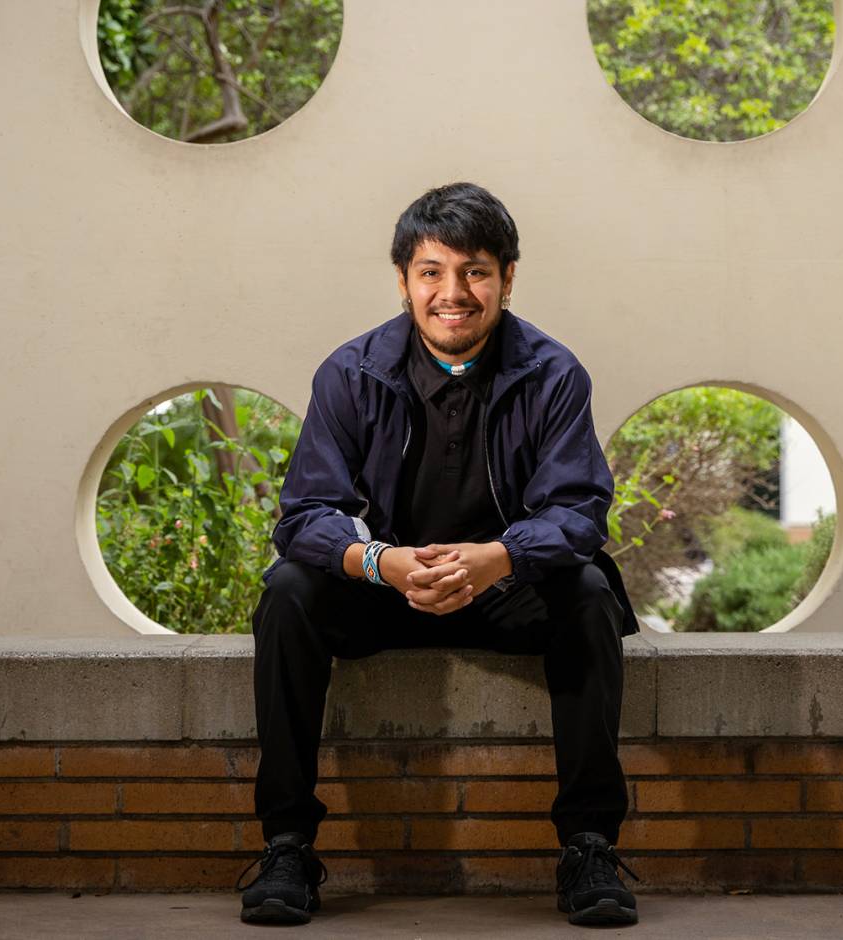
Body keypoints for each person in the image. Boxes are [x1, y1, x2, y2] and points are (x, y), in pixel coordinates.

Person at [234, 182, 641, 927]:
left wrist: (499, 556)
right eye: (431, 272)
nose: (453, 293)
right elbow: (305, 515)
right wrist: (378, 562)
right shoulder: (351, 374)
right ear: (403, 281)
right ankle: (287, 845)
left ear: (508, 278)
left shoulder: (553, 374)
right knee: (289, 590)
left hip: (504, 590)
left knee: (586, 592)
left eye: (476, 271)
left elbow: (580, 513)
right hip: (387, 589)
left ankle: (588, 845)